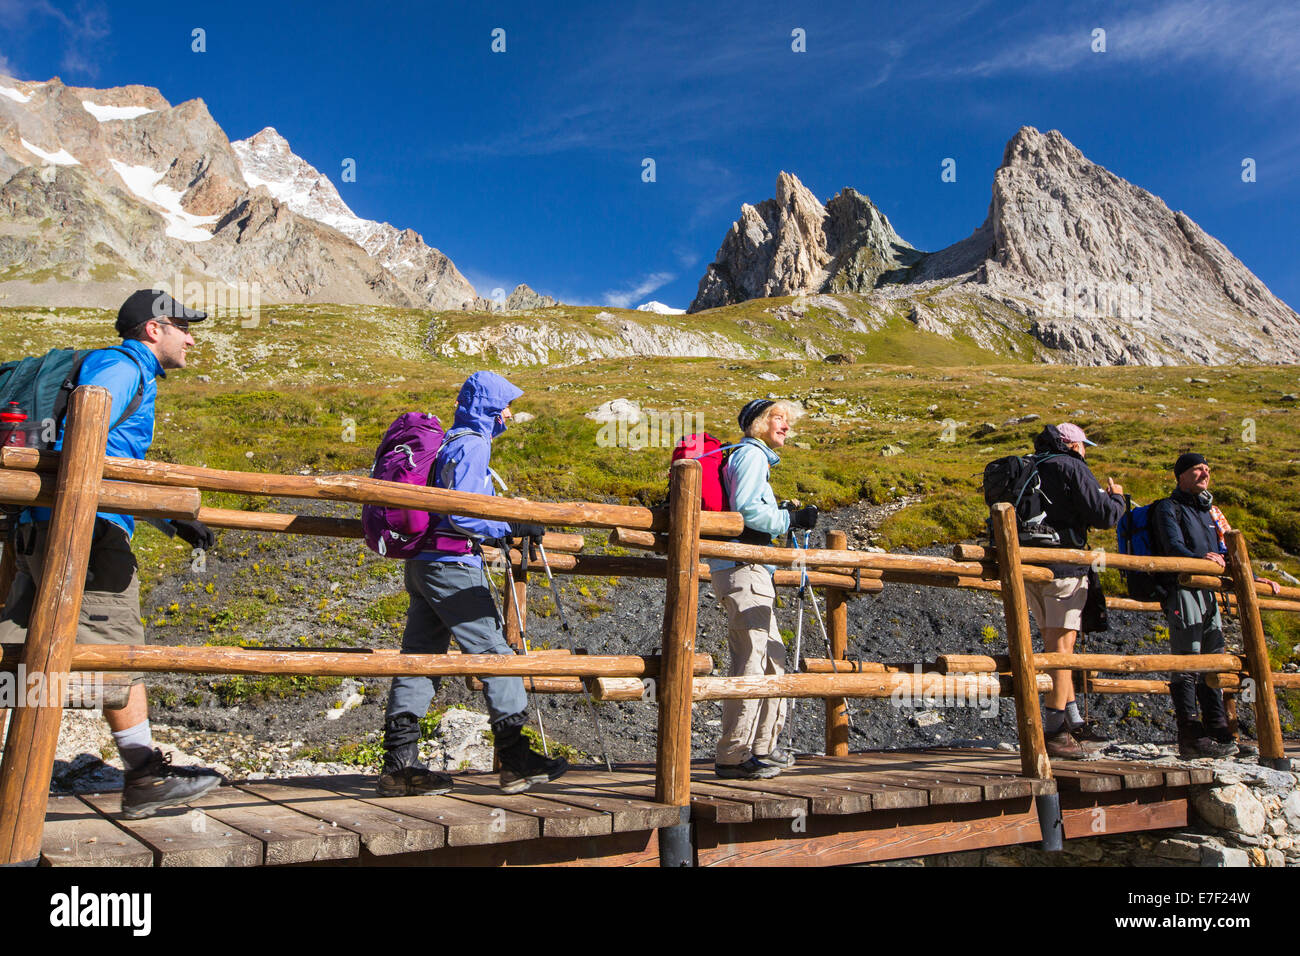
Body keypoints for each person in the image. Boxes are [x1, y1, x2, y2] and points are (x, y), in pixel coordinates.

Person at [0, 290, 221, 819]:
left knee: (16, 653)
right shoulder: (124, 368)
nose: (190, 338)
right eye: (183, 327)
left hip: (37, 526)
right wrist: (166, 508)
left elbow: (95, 450)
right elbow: (89, 437)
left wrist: (167, 518)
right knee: (117, 650)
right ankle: (144, 777)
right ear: (153, 329)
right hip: (88, 531)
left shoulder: (106, 365)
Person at [378, 370, 567, 796]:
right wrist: (510, 523)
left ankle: (398, 765)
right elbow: (462, 514)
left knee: (420, 656)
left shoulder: (447, 439)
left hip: (423, 564)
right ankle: (516, 759)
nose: (511, 415)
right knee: (495, 655)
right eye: (507, 406)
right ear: (491, 408)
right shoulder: (473, 444)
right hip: (451, 565)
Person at [710, 399, 818, 780]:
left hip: (747, 570)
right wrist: (791, 517)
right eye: (779, 418)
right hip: (745, 569)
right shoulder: (752, 455)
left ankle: (760, 749)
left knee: (769, 656)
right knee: (753, 657)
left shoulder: (749, 457)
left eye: (788, 421)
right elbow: (747, 510)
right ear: (758, 423)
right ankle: (734, 756)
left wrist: (782, 513)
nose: (786, 427)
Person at [1152, 452, 1279, 759]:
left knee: (1213, 656)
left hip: (1209, 592)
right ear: (1180, 475)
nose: (1205, 474)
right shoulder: (1169, 507)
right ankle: (1191, 734)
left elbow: (1226, 551)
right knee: (1188, 657)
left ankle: (1218, 729)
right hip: (1183, 589)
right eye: (1197, 470)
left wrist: (1254, 577)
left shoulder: (1209, 511)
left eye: (1207, 469)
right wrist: (1200, 560)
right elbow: (1173, 547)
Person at [1022, 423, 1125, 758]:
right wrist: (1118, 498)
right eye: (1084, 446)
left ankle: (1073, 720)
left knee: (1054, 646)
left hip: (1030, 566)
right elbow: (1104, 516)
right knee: (1063, 651)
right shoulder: (1072, 466)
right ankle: (1053, 730)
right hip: (1065, 568)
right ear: (1071, 444)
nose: (1086, 451)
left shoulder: (1029, 465)